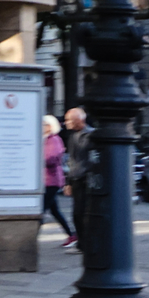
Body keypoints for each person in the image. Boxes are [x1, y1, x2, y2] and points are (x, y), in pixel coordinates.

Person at [39, 114, 74, 249]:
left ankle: (31, 238)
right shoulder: (44, 139)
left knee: (40, 211)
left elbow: (52, 159)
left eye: (43, 124)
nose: (41, 127)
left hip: (51, 180)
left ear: (49, 126)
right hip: (45, 180)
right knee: (55, 211)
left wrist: (38, 159)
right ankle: (72, 235)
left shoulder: (54, 140)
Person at [62, 106, 91, 248]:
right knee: (76, 214)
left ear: (78, 120)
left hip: (86, 180)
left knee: (84, 213)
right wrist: (68, 182)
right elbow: (71, 160)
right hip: (76, 179)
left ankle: (85, 243)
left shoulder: (90, 135)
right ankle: (82, 242)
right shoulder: (72, 137)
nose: (66, 122)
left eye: (69, 120)